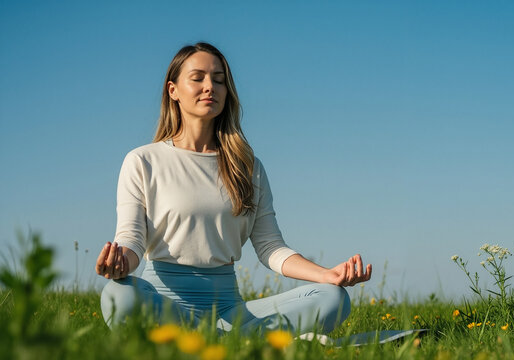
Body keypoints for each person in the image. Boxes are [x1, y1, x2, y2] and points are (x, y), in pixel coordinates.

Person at [96, 42, 372, 335]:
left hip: (230, 310)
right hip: (165, 305)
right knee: (118, 296)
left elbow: (270, 247)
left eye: (218, 80)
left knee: (332, 298)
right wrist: (121, 263)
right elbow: (131, 239)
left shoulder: (248, 166)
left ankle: (206, 342)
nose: (210, 87)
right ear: (173, 90)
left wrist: (327, 274)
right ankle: (238, 343)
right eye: (198, 77)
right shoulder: (143, 160)